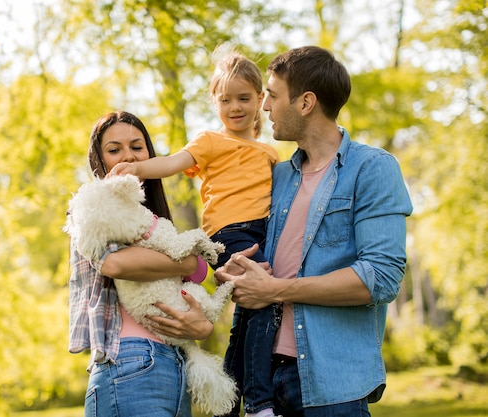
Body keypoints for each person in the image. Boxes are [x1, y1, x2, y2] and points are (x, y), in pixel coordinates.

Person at [215, 46, 414, 417]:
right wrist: (231, 274)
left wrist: (275, 290)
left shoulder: (372, 169)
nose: (266, 107)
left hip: (332, 384)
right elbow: (249, 247)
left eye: (272, 95)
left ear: (305, 102)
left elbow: (381, 278)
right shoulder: (276, 176)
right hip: (264, 383)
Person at [109, 49, 281, 417]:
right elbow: (172, 163)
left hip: (264, 234)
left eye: (244, 98)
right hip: (230, 232)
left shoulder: (269, 152)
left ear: (260, 100)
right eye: (225, 100)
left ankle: (228, 405)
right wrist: (135, 169)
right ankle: (260, 402)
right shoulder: (210, 141)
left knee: (248, 316)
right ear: (214, 102)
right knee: (268, 302)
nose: (235, 107)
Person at [68, 111, 215, 417]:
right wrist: (186, 260)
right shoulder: (92, 213)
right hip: (128, 360)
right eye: (114, 149)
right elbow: (116, 264)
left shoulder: (156, 220)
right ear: (99, 160)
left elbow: (193, 276)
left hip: (175, 364)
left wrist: (202, 327)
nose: (128, 157)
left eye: (137, 147)